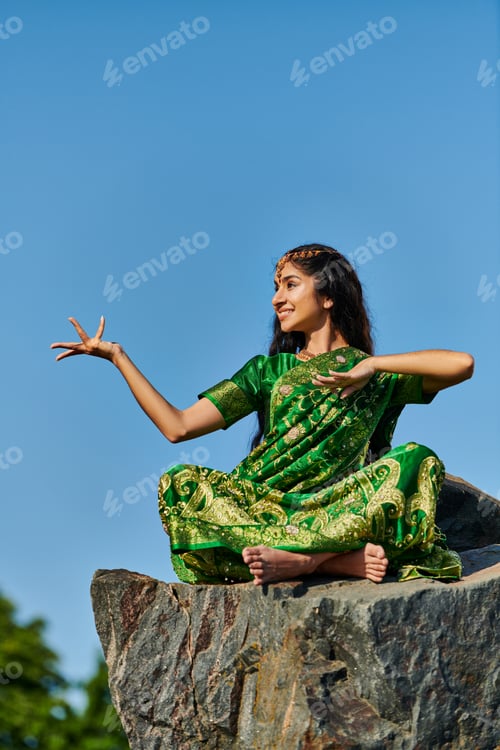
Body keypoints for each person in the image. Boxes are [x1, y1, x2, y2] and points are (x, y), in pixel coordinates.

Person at [51, 244, 474, 586]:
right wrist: (117, 357)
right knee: (179, 483)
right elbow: (177, 427)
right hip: (261, 505)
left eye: (290, 285)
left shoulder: (377, 377)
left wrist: (374, 365)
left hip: (335, 504)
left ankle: (306, 560)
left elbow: (462, 364)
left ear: (328, 295)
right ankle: (330, 561)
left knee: (419, 459)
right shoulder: (267, 371)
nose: (277, 299)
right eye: (275, 287)